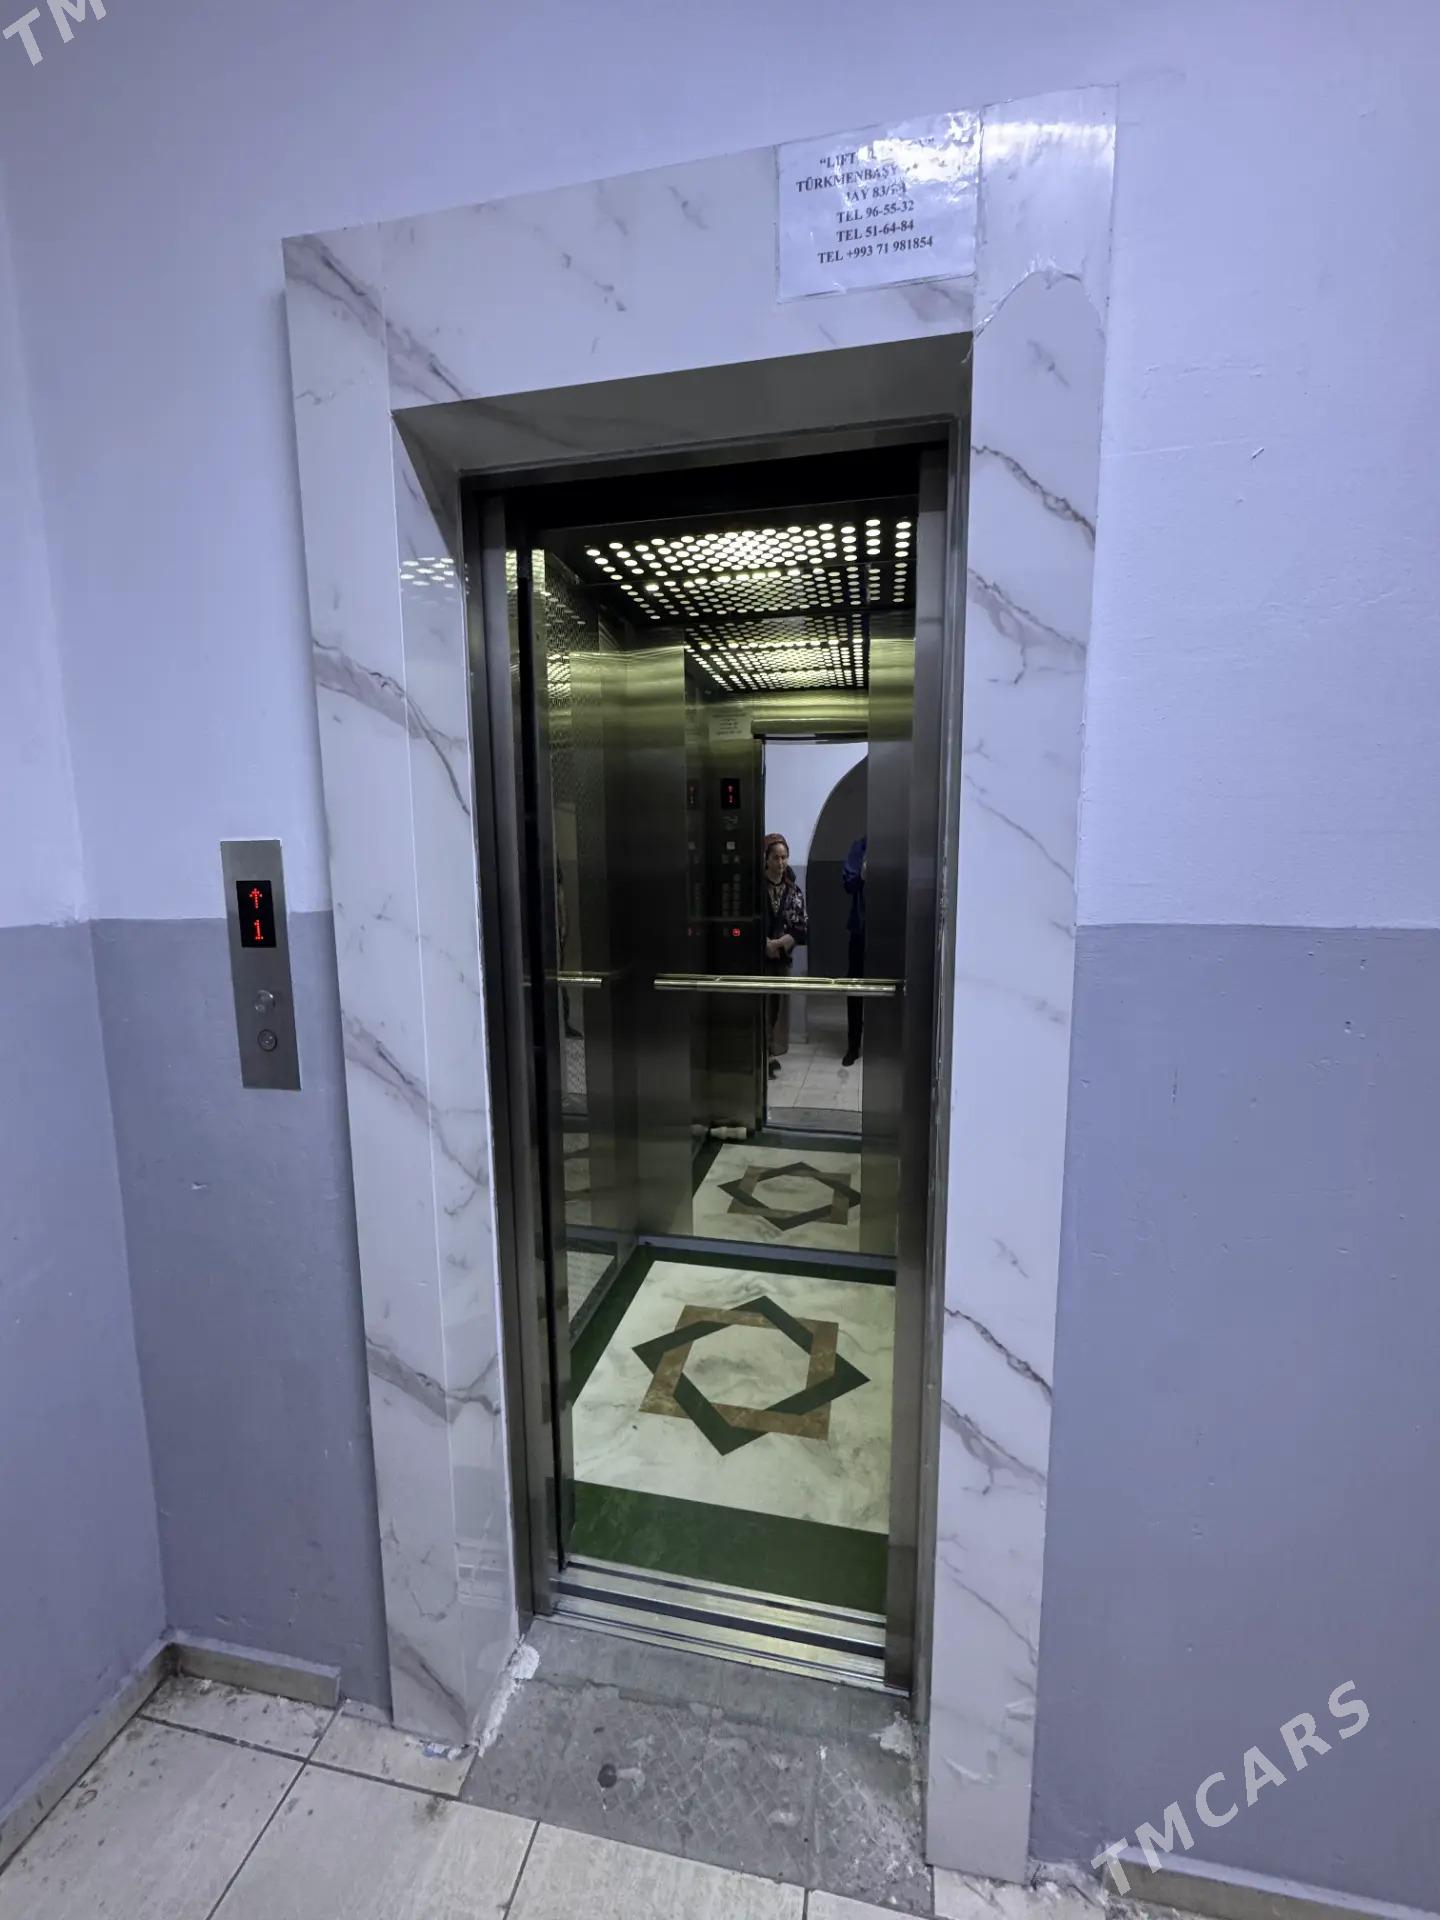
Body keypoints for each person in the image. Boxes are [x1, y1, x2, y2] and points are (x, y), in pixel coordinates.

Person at [762, 832, 807, 1077]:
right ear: (766, 859)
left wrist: (780, 944)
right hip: (758, 959)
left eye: (784, 857)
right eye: (776, 857)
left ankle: (771, 1051)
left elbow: (801, 927)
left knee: (776, 1007)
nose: (781, 862)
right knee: (760, 1005)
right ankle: (763, 1052)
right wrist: (764, 944)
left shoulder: (793, 890)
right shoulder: (756, 888)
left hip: (781, 957)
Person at [842, 834, 867, 1066]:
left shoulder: (899, 844)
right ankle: (853, 1045)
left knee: (890, 989)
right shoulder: (859, 847)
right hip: (861, 930)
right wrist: (862, 875)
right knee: (855, 988)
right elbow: (848, 885)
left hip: (892, 934)